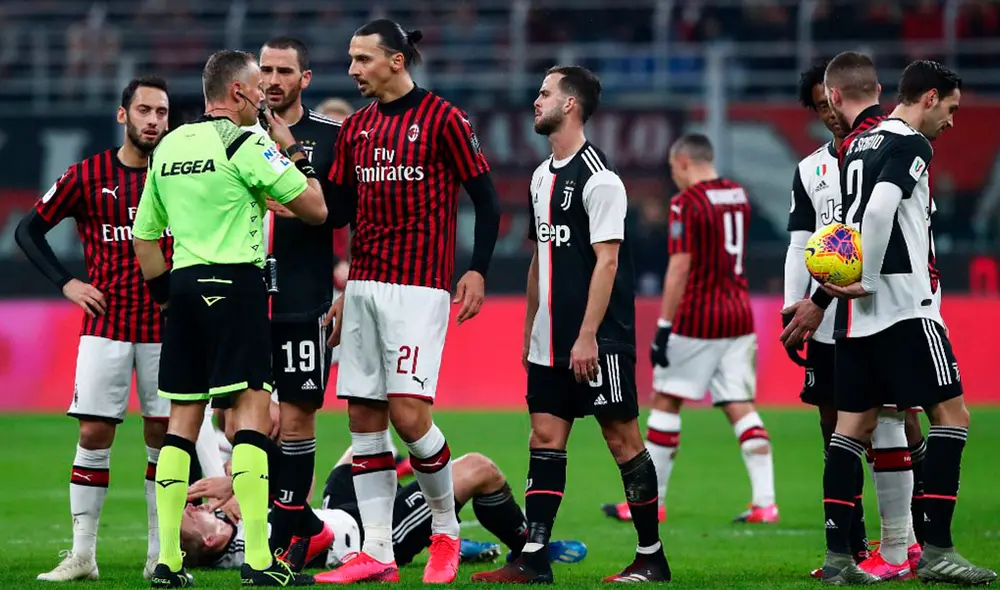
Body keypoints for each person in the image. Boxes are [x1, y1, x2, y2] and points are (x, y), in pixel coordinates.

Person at [132, 49, 328, 588]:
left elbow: (146, 236)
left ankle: (168, 562)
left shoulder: (169, 146)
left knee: (181, 424)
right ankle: (260, 562)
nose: (263, 99)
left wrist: (168, 299)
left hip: (185, 285)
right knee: (249, 416)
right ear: (239, 93)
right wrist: (292, 151)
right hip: (236, 286)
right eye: (257, 91)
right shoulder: (246, 141)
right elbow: (315, 208)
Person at [317, 18, 501, 585]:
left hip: (419, 288)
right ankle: (378, 553)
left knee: (409, 415)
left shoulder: (445, 119)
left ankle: (446, 531)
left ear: (396, 61)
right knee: (364, 419)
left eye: (363, 59)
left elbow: (488, 203)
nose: (353, 70)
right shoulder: (357, 128)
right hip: (365, 286)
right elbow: (340, 212)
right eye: (350, 59)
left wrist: (476, 271)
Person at [473, 66, 669, 585]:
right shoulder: (542, 176)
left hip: (599, 340)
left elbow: (606, 263)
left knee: (623, 440)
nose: (535, 101)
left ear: (572, 105)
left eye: (545, 93)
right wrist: (530, 327)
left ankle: (652, 556)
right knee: (544, 436)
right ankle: (534, 557)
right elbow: (541, 258)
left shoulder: (601, 179)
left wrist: (587, 335)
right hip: (549, 340)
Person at [817, 59, 996, 586]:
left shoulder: (856, 143)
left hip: (858, 317)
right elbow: (877, 212)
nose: (953, 121)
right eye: (952, 109)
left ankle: (838, 560)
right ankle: (937, 549)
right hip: (903, 307)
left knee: (850, 431)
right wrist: (869, 276)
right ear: (929, 97)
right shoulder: (910, 144)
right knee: (953, 417)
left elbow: (846, 220)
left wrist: (851, 284)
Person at [15, 77, 171, 582]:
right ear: (123, 114)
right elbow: (28, 229)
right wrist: (66, 283)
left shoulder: (179, 176)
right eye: (144, 110)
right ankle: (83, 555)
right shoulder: (86, 175)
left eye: (162, 113)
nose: (153, 120)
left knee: (163, 436)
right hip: (106, 325)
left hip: (165, 326)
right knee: (94, 431)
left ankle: (160, 553)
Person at [784, 52, 928, 581]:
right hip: (847, 303)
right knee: (857, 422)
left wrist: (822, 296)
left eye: (830, 103)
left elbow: (872, 227)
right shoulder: (822, 164)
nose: (828, 113)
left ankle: (910, 541)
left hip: (892, 300)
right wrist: (802, 299)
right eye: (817, 106)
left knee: (905, 418)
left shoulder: (880, 146)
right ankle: (881, 545)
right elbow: (807, 239)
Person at [602, 133, 779, 526]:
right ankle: (765, 502)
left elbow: (680, 266)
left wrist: (664, 326)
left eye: (672, 168)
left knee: (665, 401)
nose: (674, 177)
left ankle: (652, 501)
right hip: (739, 314)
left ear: (683, 161)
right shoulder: (738, 195)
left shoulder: (686, 203)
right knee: (740, 405)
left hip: (698, 316)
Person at [248, 35, 350, 564]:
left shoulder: (333, 137)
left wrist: (348, 284)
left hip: (302, 297)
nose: (272, 79)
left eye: (284, 70)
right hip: (242, 301)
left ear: (304, 79)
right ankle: (300, 523)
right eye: (265, 68)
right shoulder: (230, 135)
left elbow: (356, 214)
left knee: (295, 419)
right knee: (239, 421)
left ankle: (288, 533)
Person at [180, 448, 587, 572]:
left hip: (335, 510)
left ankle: (440, 525)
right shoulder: (251, 542)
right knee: (479, 468)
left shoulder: (230, 535)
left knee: (369, 442)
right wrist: (239, 482)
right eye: (192, 514)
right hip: (369, 531)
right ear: (213, 539)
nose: (195, 505)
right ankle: (528, 550)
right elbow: (292, 488)